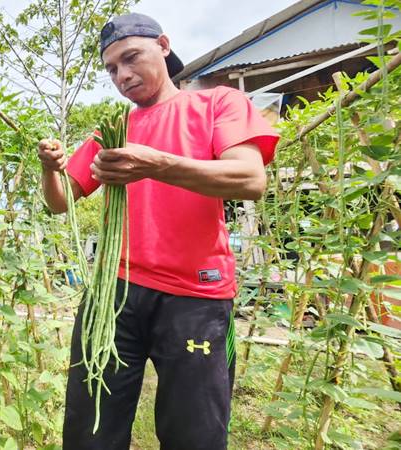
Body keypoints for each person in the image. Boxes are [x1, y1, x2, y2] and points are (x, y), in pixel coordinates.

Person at [37, 13, 279, 450]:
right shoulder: (111, 132)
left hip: (196, 296)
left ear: (164, 46)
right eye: (111, 68)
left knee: (195, 435)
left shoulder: (217, 104)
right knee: (89, 429)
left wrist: (157, 164)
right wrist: (49, 169)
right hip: (114, 291)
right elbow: (60, 202)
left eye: (131, 58)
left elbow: (250, 179)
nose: (122, 75)